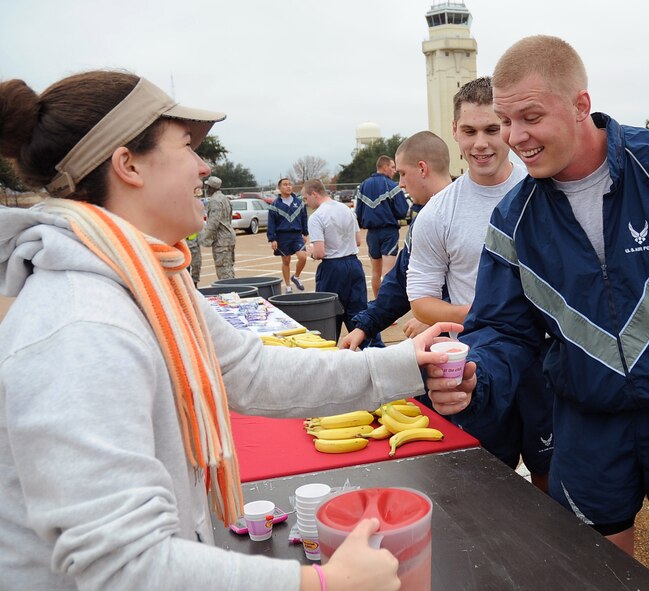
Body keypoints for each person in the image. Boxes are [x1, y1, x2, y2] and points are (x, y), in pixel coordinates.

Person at [0, 70, 460, 591]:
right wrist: (325, 584)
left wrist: (404, 362)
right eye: (187, 146)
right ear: (127, 165)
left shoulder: (149, 284)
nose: (205, 166)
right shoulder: (80, 328)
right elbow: (124, 566)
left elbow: (251, 370)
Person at [427, 36, 649, 591]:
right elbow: (502, 330)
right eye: (505, 120)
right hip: (587, 423)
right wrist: (477, 376)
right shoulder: (513, 220)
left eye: (531, 117)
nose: (516, 138)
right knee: (598, 575)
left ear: (580, 105)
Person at [406, 77, 552, 484]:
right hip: (483, 362)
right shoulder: (438, 211)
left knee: (551, 476)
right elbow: (420, 299)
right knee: (488, 477)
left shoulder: (543, 190)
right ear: (454, 132)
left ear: (507, 126)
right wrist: (490, 316)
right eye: (469, 131)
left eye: (491, 129)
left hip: (548, 362)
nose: (481, 143)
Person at [341, 131, 452, 351]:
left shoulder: (464, 212)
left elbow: (478, 285)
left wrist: (435, 319)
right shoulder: (424, 218)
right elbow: (402, 280)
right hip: (443, 343)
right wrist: (364, 327)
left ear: (422, 168)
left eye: (402, 173)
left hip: (476, 347)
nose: (400, 183)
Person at [302, 179, 381, 349]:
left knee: (329, 315)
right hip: (353, 264)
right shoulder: (346, 209)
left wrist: (311, 252)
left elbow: (320, 252)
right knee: (359, 313)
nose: (306, 202)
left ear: (314, 194)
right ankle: (376, 351)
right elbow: (358, 241)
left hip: (332, 268)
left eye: (306, 198)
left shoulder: (316, 217)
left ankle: (326, 354)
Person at [355, 155, 409, 299]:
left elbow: (358, 212)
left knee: (375, 272)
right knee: (388, 272)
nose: (394, 171)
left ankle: (377, 305)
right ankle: (386, 308)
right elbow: (403, 211)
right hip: (388, 232)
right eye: (392, 167)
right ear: (384, 167)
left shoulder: (363, 186)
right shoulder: (392, 186)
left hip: (371, 234)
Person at [268, 177, 308, 293]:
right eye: (285, 184)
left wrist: (305, 233)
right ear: (279, 188)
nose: (288, 186)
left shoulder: (299, 203)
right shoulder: (275, 205)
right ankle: (288, 286)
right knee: (286, 261)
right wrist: (272, 239)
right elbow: (271, 223)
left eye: (290, 184)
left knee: (303, 257)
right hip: (282, 237)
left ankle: (296, 276)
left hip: (296, 236)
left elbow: (304, 218)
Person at [200, 175, 236, 279]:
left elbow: (213, 223)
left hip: (221, 240)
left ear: (211, 187)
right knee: (229, 267)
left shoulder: (215, 201)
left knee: (224, 271)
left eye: (207, 186)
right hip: (228, 238)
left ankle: (229, 291)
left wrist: (204, 239)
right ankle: (233, 290)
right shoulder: (225, 199)